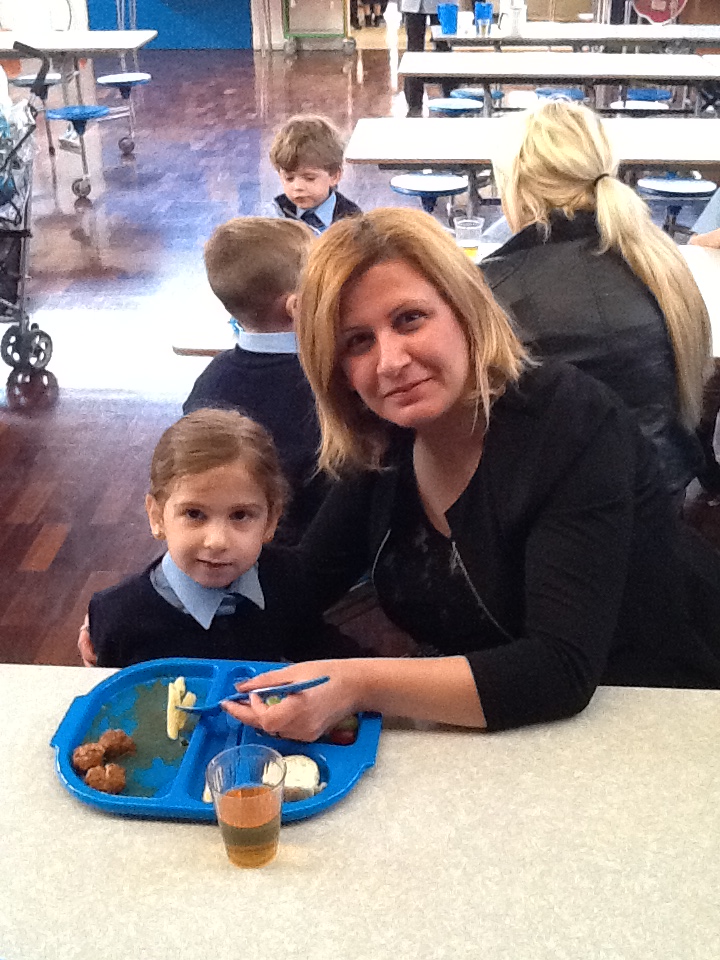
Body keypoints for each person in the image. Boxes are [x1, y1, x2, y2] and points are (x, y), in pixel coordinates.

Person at [222, 208, 720, 742]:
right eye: (358, 342)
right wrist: (184, 578)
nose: (390, 361)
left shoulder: (571, 420)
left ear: (465, 309)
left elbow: (559, 670)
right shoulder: (387, 437)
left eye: (409, 319)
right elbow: (303, 582)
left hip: (662, 712)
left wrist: (355, 683)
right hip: (510, 730)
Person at [480, 99, 712, 500]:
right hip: (661, 498)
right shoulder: (659, 261)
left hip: (559, 515)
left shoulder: (493, 291)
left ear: (515, 187)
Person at [79, 409, 358, 668]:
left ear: (271, 520)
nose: (217, 541)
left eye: (240, 515)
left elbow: (317, 646)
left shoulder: (287, 578)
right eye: (194, 514)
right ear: (157, 516)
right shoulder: (118, 616)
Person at [183, 217, 328, 545]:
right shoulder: (326, 379)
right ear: (297, 306)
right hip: (324, 547)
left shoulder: (209, 380)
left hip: (234, 543)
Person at [269, 115, 361, 234]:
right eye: (289, 178)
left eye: (309, 178)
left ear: (334, 176)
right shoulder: (273, 216)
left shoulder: (352, 222)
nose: (297, 187)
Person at [400, 0, 451, 117]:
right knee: (414, 52)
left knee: (444, 48)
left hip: (444, 4)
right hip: (413, 5)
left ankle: (450, 96)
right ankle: (414, 104)